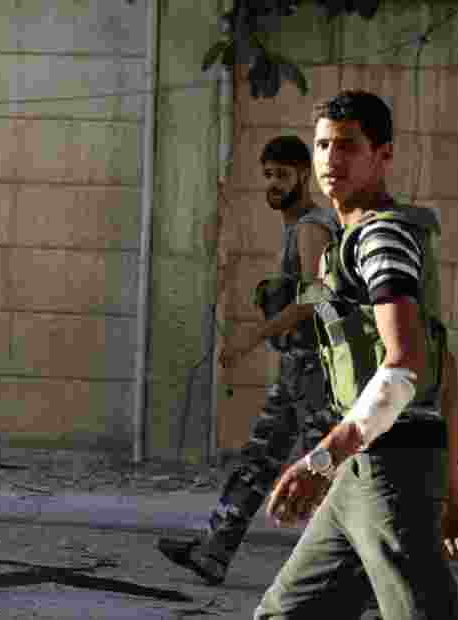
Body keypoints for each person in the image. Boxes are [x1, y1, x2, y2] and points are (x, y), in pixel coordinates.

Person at [253, 90, 458, 619]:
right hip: (362, 470)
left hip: (389, 471)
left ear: (384, 156)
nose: (331, 159)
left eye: (349, 145)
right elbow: (449, 373)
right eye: (323, 145)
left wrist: (322, 458)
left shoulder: (383, 238)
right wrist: (450, 492)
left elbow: (406, 366)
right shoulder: (348, 240)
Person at [156, 135, 341, 586]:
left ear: (303, 174)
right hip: (299, 369)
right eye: (268, 175)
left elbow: (318, 297)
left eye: (282, 174)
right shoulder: (298, 226)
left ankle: (365, 576)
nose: (273, 184)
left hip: (318, 371)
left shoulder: (312, 227)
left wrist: (251, 337)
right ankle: (213, 552)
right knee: (258, 461)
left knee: (328, 477)